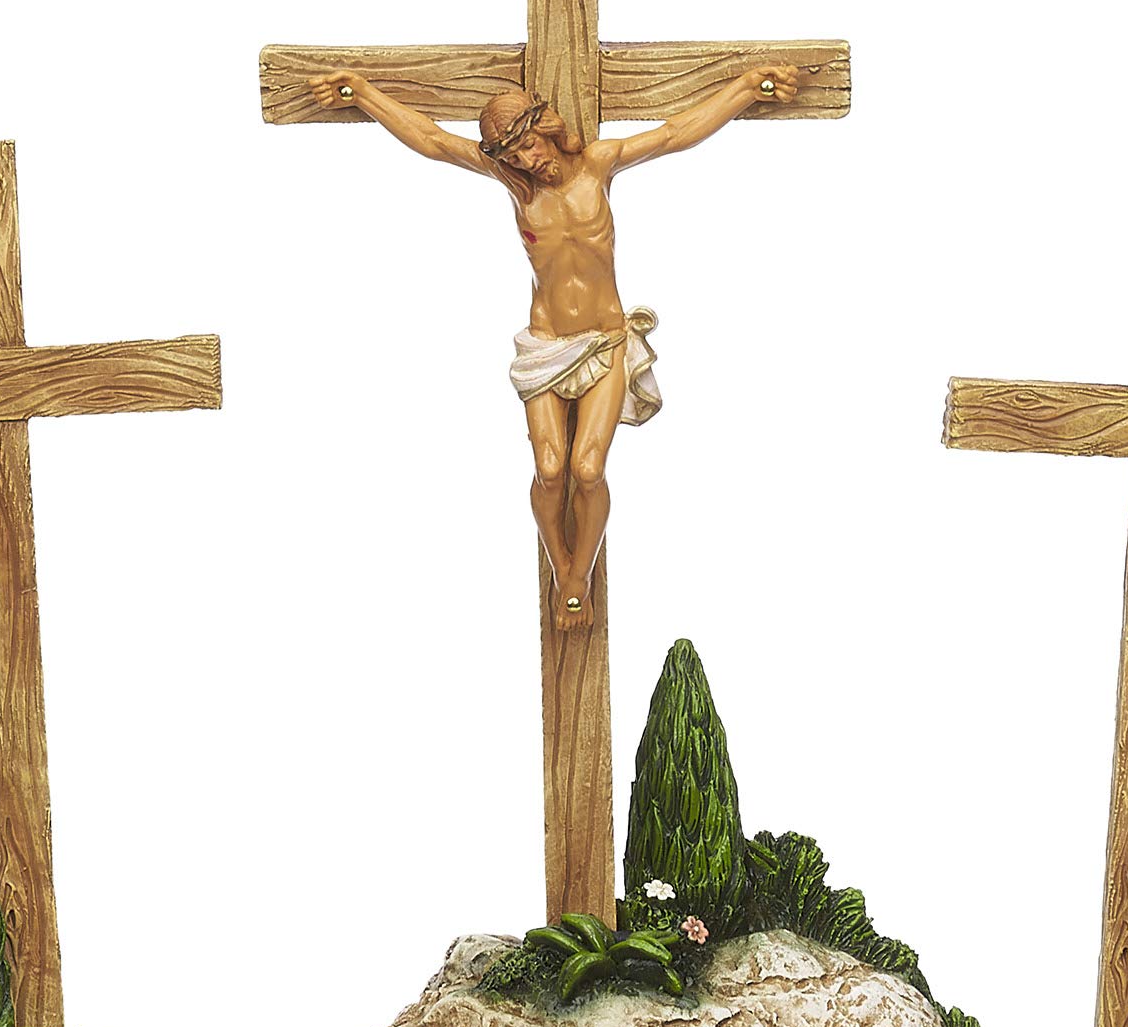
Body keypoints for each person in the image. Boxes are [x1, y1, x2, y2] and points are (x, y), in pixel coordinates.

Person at [309, 64, 802, 628]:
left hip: (605, 340)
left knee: (587, 469)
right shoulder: (515, 186)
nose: (527, 161)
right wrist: (363, 92)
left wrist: (747, 88)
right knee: (549, 468)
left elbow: (675, 133)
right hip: (545, 346)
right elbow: (433, 140)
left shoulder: (598, 165)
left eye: (529, 146)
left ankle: (577, 580)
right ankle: (561, 567)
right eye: (513, 154)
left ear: (547, 127)